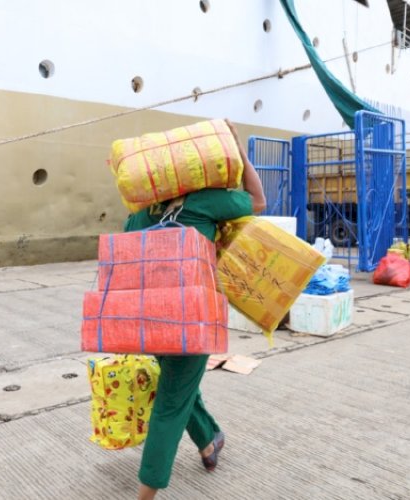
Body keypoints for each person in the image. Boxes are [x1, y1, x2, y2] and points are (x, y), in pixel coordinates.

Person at [124, 119, 266, 500]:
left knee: (178, 385)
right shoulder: (204, 201)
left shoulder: (142, 214)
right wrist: (240, 154)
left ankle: (209, 442)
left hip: (149, 322)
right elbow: (258, 200)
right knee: (171, 404)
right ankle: (145, 493)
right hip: (192, 321)